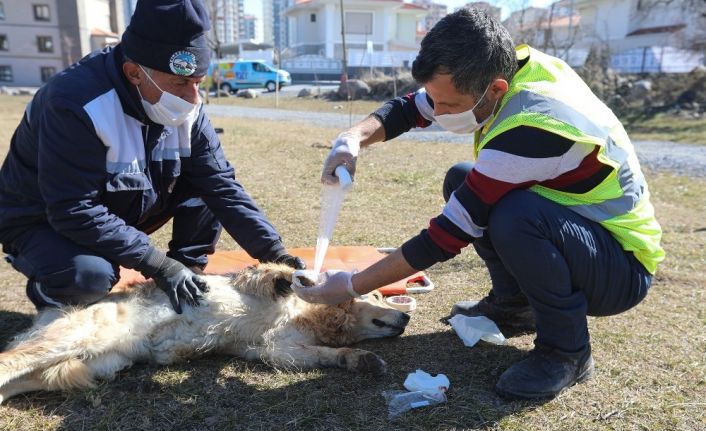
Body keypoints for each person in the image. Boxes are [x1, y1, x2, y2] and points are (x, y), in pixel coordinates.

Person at [293, 8, 664, 400]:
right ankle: (514, 306)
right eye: (437, 101)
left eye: (449, 106)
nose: (437, 113)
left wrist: (349, 286)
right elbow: (408, 108)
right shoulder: (503, 68)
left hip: (620, 267)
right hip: (583, 232)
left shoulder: (533, 126)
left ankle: (567, 353)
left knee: (512, 215)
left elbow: (444, 237)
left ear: (497, 89)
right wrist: (351, 138)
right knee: (462, 178)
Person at [0, 0, 304, 315]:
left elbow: (220, 185)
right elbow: (72, 208)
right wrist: (158, 264)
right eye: (181, 83)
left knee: (205, 185)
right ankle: (51, 291)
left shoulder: (184, 105)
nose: (192, 98)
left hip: (118, 205)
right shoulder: (74, 104)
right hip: (43, 219)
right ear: (134, 73)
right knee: (89, 277)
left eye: (198, 83)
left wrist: (276, 254)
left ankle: (187, 275)